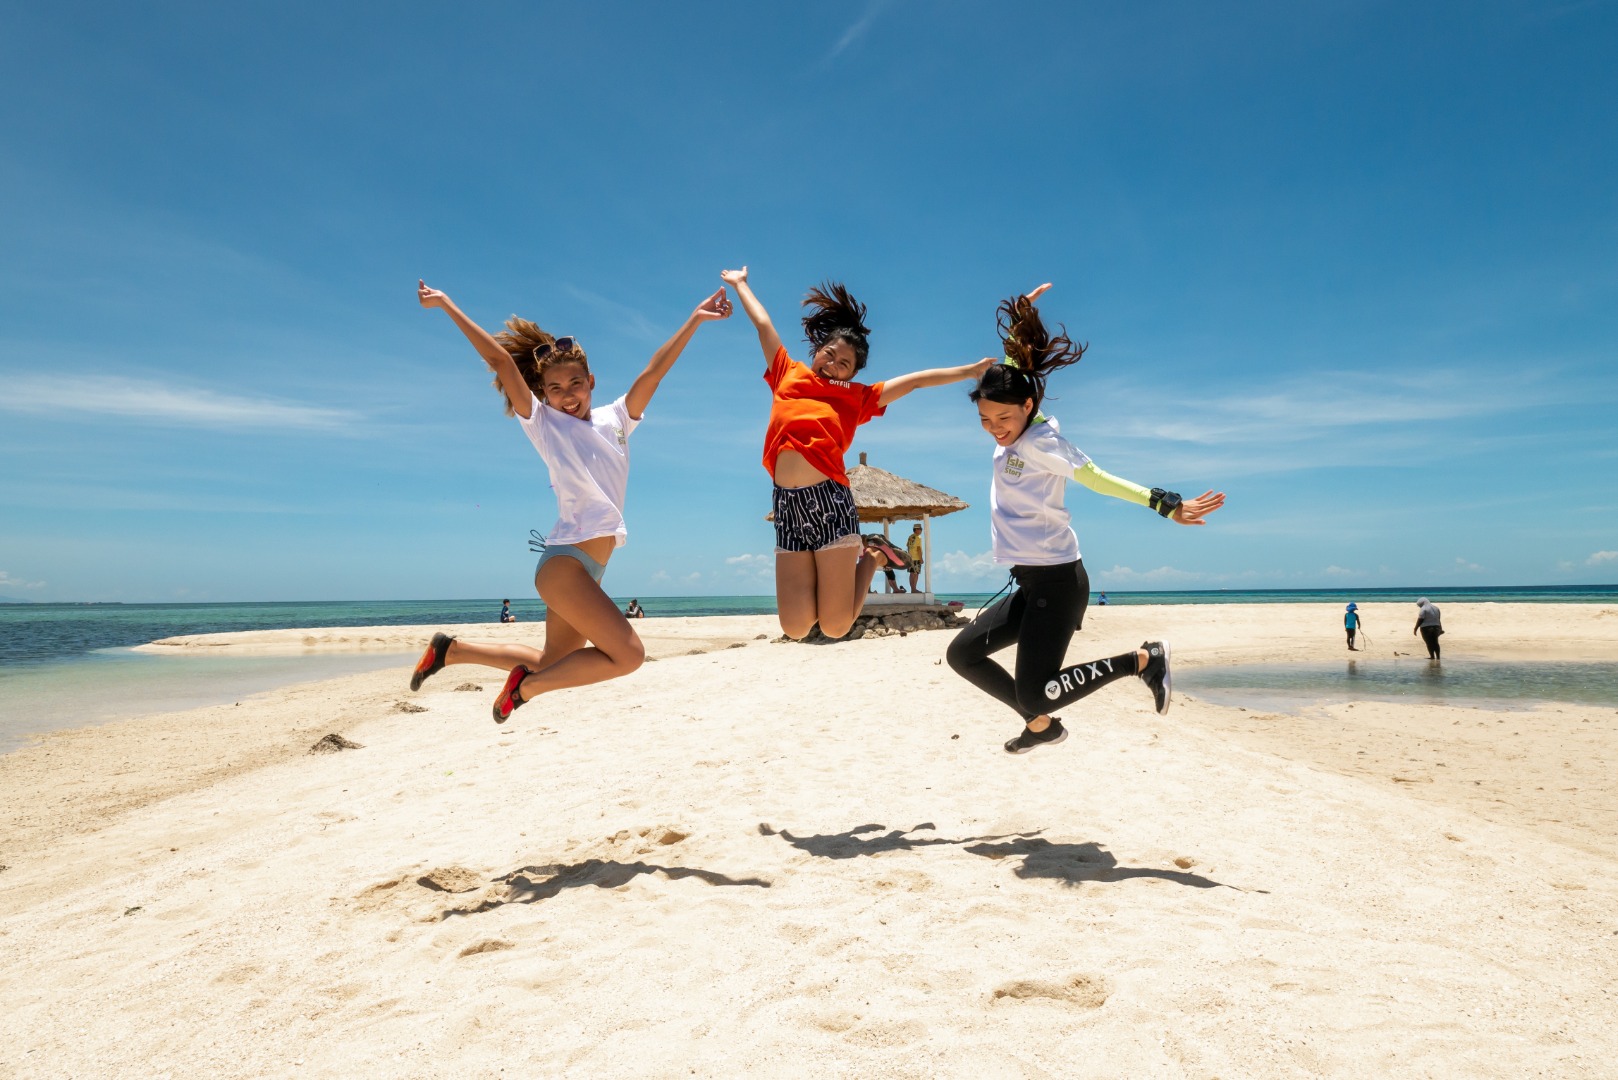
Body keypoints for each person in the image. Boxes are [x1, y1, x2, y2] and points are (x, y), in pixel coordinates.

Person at [408, 279, 731, 721]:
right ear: (543, 394)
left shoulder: (616, 418)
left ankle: (451, 651)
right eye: (555, 388)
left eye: (576, 383)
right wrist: (446, 304)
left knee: (552, 663)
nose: (567, 395)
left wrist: (695, 317)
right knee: (629, 655)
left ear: (591, 381)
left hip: (587, 568)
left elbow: (653, 372)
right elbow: (502, 362)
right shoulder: (543, 424)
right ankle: (523, 692)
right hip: (565, 567)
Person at [944, 284, 1226, 754]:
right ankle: (1041, 726)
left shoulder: (1040, 444)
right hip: (1030, 584)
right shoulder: (1015, 425)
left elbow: (1095, 478)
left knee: (1035, 688)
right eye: (986, 421)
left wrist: (1163, 502)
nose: (995, 428)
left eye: (1003, 419)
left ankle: (1143, 660)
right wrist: (1020, 321)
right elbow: (1016, 370)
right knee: (963, 654)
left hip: (1057, 585)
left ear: (1028, 407)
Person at [720, 265, 990, 640]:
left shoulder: (857, 397)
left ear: (853, 372)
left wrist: (969, 371)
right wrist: (740, 284)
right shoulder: (788, 374)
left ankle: (873, 556)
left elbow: (913, 382)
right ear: (818, 350)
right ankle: (864, 557)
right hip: (787, 506)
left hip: (829, 501)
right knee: (795, 628)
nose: (831, 364)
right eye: (829, 354)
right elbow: (764, 325)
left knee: (835, 626)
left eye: (843, 363)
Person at [906, 524, 925, 594]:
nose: (921, 530)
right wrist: (921, 559)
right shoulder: (918, 537)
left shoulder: (910, 537)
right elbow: (918, 549)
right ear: (916, 529)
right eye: (920, 529)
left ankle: (912, 589)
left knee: (911, 574)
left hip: (910, 558)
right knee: (916, 574)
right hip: (916, 558)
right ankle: (914, 589)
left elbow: (908, 547)